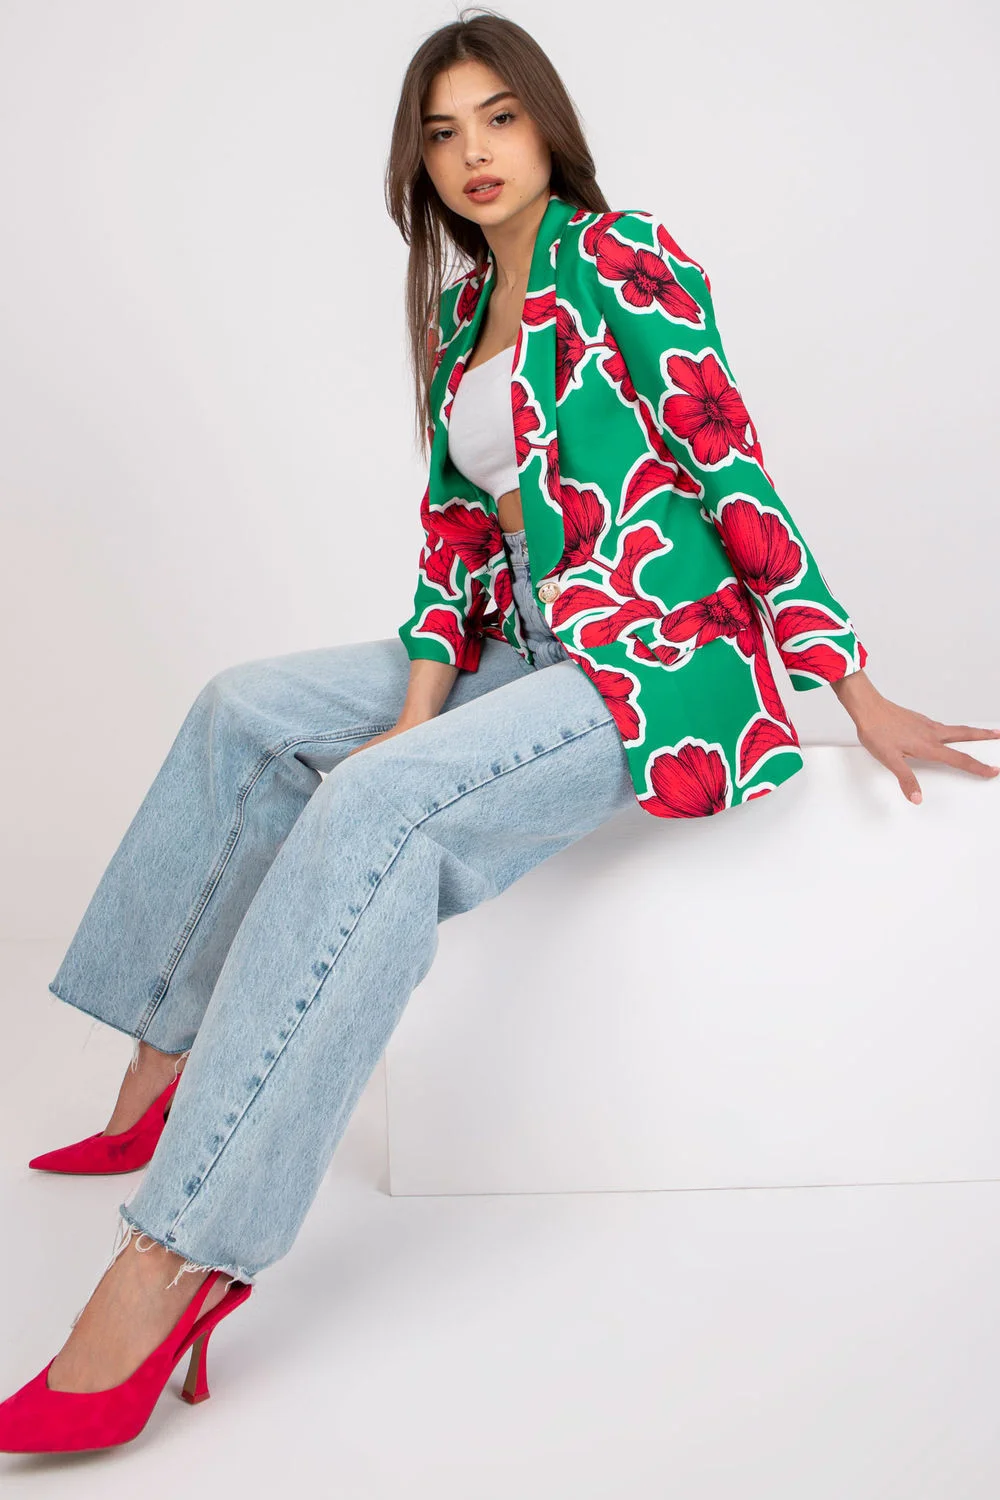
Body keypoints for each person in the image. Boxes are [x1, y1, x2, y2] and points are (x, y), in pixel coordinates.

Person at [3, 7, 997, 1455]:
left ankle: (176, 1264)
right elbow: (455, 545)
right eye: (442, 131)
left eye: (499, 117)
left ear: (546, 125)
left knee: (372, 817)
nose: (473, 152)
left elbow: (733, 465)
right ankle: (163, 1066)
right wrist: (412, 719)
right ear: (419, 161)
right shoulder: (460, 319)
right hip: (524, 638)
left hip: (659, 658)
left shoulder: (626, 256)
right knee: (247, 710)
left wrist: (848, 681)